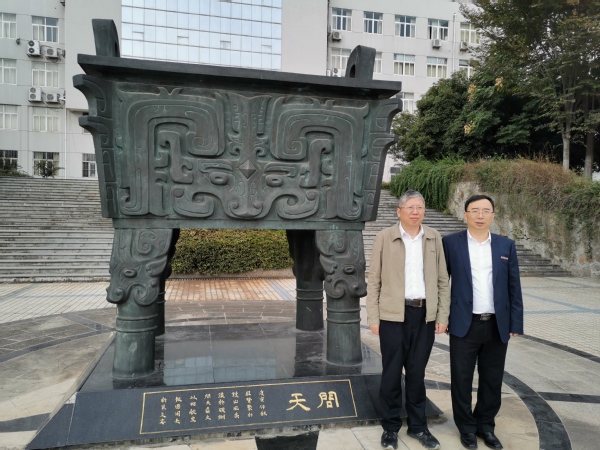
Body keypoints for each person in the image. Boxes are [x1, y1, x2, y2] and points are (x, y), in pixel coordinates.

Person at [367, 190, 450, 450]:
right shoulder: (384, 237)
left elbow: (442, 280)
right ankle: (390, 428)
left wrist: (441, 315)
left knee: (417, 373)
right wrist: (373, 317)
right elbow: (374, 280)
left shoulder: (433, 237)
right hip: (393, 316)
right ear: (399, 211)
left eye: (420, 207)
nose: (416, 212)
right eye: (411, 207)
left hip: (424, 316)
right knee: (392, 373)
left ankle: (418, 427)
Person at [442, 194, 524, 450]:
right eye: (475, 210)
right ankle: (466, 428)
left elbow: (514, 286)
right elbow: (442, 283)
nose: (480, 215)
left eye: (486, 210)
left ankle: (485, 426)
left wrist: (516, 322)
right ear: (465, 214)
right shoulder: (450, 243)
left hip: (496, 324)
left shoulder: (505, 245)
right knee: (461, 379)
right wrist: (441, 317)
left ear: (493, 215)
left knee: (492, 379)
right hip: (463, 323)